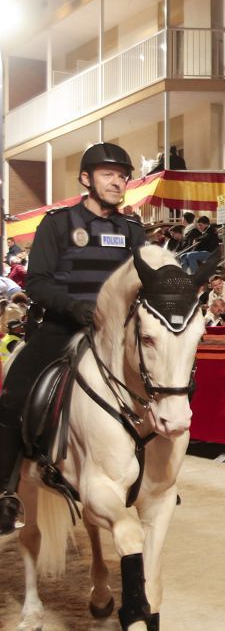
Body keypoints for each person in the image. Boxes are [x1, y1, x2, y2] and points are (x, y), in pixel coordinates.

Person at [0, 143, 146, 533]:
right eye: (108, 174)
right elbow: (39, 283)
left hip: (115, 335)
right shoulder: (58, 223)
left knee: (164, 386)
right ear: (86, 179)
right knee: (14, 393)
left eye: (123, 175)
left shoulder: (133, 229)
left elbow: (143, 282)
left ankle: (152, 479)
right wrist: (77, 308)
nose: (118, 181)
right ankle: (6, 492)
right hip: (64, 327)